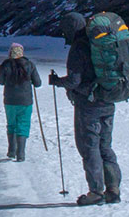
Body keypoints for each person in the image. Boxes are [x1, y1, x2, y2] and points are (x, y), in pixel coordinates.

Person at [49, 11, 122, 205]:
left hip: (88, 105)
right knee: (105, 146)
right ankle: (113, 190)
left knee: (90, 148)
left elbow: (74, 81)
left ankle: (96, 192)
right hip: (108, 100)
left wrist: (57, 82)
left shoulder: (78, 48)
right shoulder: (98, 43)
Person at [0, 43, 40, 160]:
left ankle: (11, 150)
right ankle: (21, 154)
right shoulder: (30, 65)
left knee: (11, 124)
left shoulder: (5, 65)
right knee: (23, 124)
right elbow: (38, 83)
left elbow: (1, 81)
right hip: (25, 101)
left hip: (10, 100)